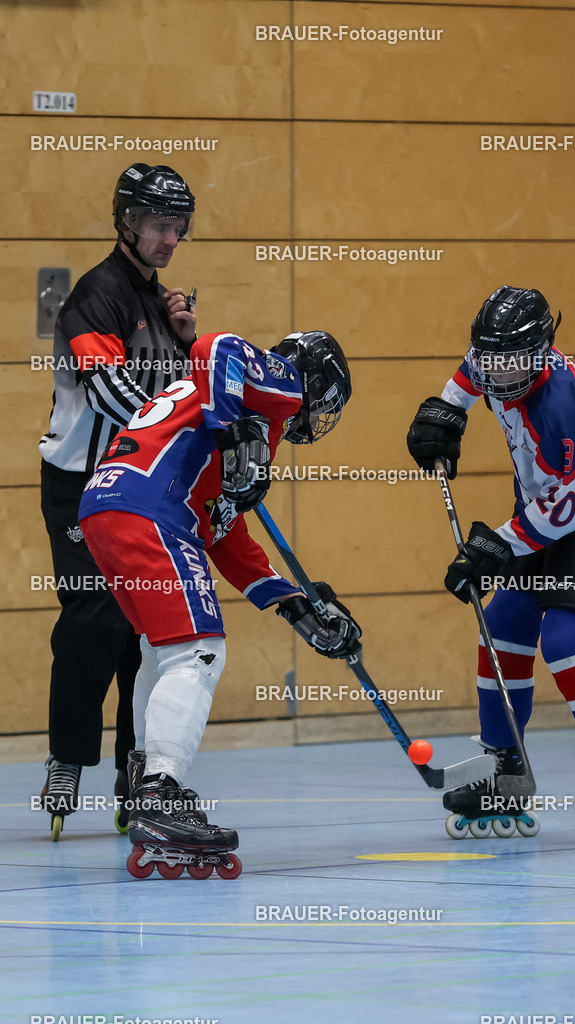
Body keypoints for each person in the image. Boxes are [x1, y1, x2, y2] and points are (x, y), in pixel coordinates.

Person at [78, 329, 361, 878]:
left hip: (109, 505)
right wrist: (235, 433)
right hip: (149, 507)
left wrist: (293, 603)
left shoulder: (231, 409)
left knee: (160, 651)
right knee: (199, 651)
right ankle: (161, 790)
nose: (315, 417)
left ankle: (145, 784)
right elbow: (217, 344)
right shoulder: (283, 387)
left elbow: (223, 534)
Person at [407, 285, 575, 846]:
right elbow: (468, 376)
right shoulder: (497, 356)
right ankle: (504, 765)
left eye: (510, 363)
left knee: (567, 635)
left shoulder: (556, 403)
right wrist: (446, 413)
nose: (497, 376)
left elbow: (565, 509)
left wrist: (491, 549)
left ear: (543, 350)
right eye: (490, 360)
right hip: (543, 502)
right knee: (503, 623)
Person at [39, 163, 197, 839]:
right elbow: (110, 394)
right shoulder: (94, 296)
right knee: (95, 619)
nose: (171, 238)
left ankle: (136, 775)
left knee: (145, 631)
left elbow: (179, 389)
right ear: (126, 222)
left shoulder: (162, 309)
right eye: (161, 225)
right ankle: (69, 759)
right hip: (79, 486)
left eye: (179, 227)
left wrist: (188, 345)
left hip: (136, 486)